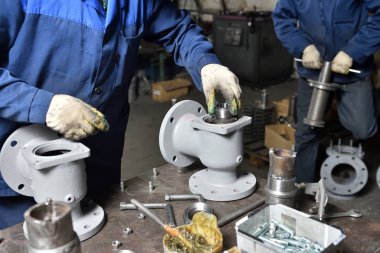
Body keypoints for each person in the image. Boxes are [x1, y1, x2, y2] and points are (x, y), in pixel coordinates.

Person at [0, 0, 241, 229]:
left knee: (106, 235)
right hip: (23, 162)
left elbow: (179, 30)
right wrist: (44, 105)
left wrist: (206, 64)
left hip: (100, 156)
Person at [272, 0, 380, 182]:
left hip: (352, 70)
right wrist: (303, 47)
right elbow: (282, 18)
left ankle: (372, 101)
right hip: (314, 70)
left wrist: (353, 52)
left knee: (363, 129)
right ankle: (302, 187)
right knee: (306, 132)